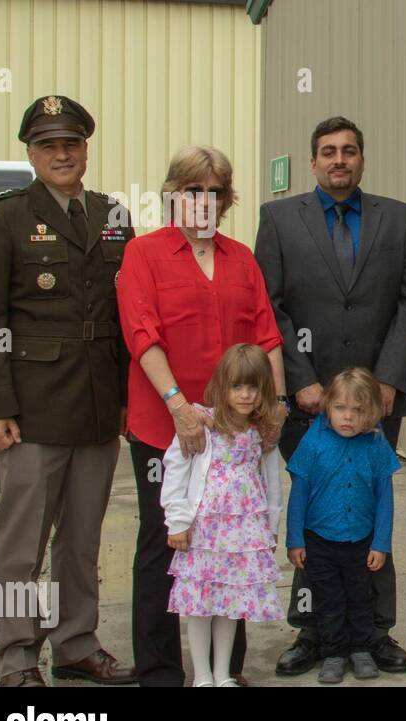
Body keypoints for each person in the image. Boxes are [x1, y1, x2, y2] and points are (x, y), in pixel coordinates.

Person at [0, 95, 136, 687]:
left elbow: (121, 316)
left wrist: (122, 403)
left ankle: (76, 645)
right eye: (48, 146)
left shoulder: (112, 216)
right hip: (30, 409)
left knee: (82, 538)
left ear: (86, 148)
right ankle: (16, 659)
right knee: (20, 544)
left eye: (72, 144)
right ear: (31, 153)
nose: (62, 154)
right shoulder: (2, 216)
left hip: (95, 405)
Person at [256, 116, 406, 676]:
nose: (339, 160)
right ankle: (313, 632)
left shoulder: (397, 220)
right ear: (313, 162)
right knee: (318, 517)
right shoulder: (279, 220)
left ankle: (375, 632)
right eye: (328, 152)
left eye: (349, 151)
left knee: (369, 510)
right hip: (307, 400)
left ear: (362, 159)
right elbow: (268, 307)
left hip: (376, 400)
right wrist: (297, 379)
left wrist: (389, 379)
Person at [117, 146, 286, 687]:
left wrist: (275, 407)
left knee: (232, 540)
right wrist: (179, 409)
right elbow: (142, 334)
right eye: (194, 190)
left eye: (215, 192)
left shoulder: (242, 259)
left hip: (236, 431)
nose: (204, 201)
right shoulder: (144, 254)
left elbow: (266, 335)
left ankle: (224, 671)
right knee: (167, 538)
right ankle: (162, 670)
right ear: (173, 196)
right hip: (168, 424)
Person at [161, 344, 285, 687]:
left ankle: (222, 674)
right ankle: (201, 676)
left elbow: (272, 484)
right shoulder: (203, 422)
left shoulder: (263, 431)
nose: (245, 395)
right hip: (204, 530)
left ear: (264, 391)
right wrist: (178, 521)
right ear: (222, 387)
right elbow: (176, 470)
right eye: (236, 387)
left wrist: (270, 529)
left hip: (242, 535)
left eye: (253, 387)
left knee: (230, 601)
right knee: (200, 602)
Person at [285, 368, 401, 683]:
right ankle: (333, 653)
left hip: (361, 541)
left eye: (358, 410)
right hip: (320, 540)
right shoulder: (313, 441)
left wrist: (381, 543)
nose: (347, 417)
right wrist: (295, 539)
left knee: (360, 597)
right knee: (329, 599)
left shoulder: (376, 443)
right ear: (327, 408)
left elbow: (384, 498)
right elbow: (299, 492)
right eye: (340, 409)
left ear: (372, 412)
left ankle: (361, 650)